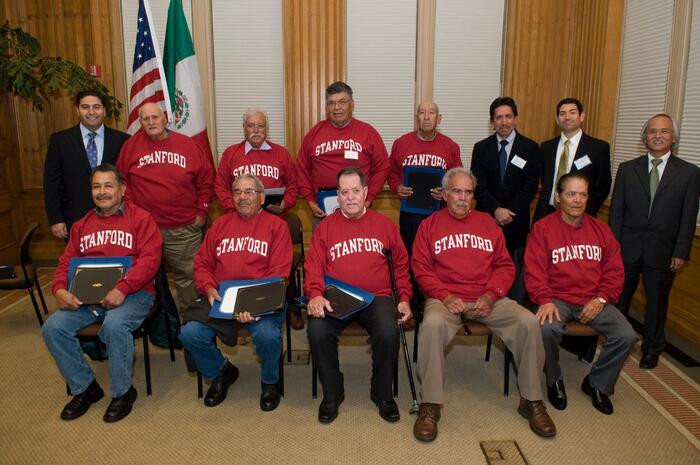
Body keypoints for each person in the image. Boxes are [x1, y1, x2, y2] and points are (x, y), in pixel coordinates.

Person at [411, 167, 556, 442]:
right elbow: (420, 268)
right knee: (430, 326)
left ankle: (531, 400)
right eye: (457, 191)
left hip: (487, 297)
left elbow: (504, 265)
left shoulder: (488, 224)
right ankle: (430, 405)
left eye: (468, 192)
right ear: (444, 194)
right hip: (446, 298)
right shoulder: (428, 226)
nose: (463, 198)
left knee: (527, 322)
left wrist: (492, 294)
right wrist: (444, 295)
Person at [41, 164, 162, 423]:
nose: (102, 192)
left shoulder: (141, 219)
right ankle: (85, 388)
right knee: (52, 328)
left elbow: (151, 260)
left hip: (134, 294)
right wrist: (59, 289)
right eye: (96, 186)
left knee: (115, 325)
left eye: (108, 185)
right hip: (88, 297)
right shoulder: (81, 225)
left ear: (122, 190)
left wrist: (123, 288)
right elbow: (65, 263)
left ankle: (122, 392)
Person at [305, 166, 412, 424]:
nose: (350, 197)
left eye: (355, 191)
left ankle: (382, 393)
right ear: (337, 196)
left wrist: (405, 298)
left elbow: (400, 265)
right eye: (344, 192)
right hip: (336, 297)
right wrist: (315, 294)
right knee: (317, 331)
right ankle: (332, 393)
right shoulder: (325, 228)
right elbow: (313, 266)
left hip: (376, 298)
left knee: (388, 330)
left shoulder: (385, 225)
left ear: (365, 192)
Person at [525, 173, 637, 415]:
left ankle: (597, 383)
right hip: (557, 298)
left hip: (595, 298)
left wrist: (601, 298)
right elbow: (534, 270)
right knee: (546, 328)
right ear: (558, 197)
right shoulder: (543, 229)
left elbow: (615, 271)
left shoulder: (602, 230)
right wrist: (544, 299)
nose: (577, 200)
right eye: (571, 194)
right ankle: (553, 379)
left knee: (626, 335)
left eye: (582, 194)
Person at [179, 174, 292, 411]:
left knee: (268, 336)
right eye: (237, 192)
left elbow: (279, 274)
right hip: (222, 298)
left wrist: (258, 306)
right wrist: (208, 287)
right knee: (190, 333)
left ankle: (270, 381)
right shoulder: (219, 225)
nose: (242, 197)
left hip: (261, 299)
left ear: (261, 197)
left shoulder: (277, 227)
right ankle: (221, 372)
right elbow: (202, 264)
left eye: (249, 192)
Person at [609, 113, 700, 369]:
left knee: (656, 304)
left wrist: (681, 251)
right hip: (627, 247)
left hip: (663, 251)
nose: (657, 136)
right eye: (652, 131)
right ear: (644, 137)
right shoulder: (627, 169)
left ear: (673, 138)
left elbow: (688, 216)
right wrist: (613, 247)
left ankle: (651, 348)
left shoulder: (690, 174)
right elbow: (616, 211)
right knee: (619, 299)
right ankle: (616, 340)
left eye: (664, 131)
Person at [116, 102, 214, 315]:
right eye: (146, 119)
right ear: (140, 122)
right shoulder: (130, 147)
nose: (151, 122)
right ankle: (160, 328)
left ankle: (193, 325)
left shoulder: (186, 145)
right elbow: (122, 184)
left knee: (189, 279)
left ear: (166, 118)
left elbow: (206, 180)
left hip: (183, 229)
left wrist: (202, 211)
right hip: (144, 229)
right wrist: (133, 214)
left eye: (155, 117)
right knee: (142, 278)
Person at [295, 81, 389, 223]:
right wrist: (310, 200)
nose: (336, 107)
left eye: (342, 102)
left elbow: (382, 167)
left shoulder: (368, 133)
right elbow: (300, 169)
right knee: (323, 245)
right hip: (323, 210)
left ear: (352, 104)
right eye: (331, 103)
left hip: (359, 207)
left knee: (358, 245)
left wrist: (369, 199)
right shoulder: (314, 134)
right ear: (326, 106)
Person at [44, 90, 130, 240]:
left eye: (96, 107)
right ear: (77, 110)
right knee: (79, 263)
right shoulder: (60, 141)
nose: (91, 112)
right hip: (75, 219)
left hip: (116, 219)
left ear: (104, 110)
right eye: (85, 107)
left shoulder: (122, 140)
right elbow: (51, 183)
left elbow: (128, 180)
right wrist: (56, 219)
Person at [389, 100, 462, 257]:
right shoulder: (401, 143)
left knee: (436, 256)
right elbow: (391, 171)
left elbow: (458, 179)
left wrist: (446, 192)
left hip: (439, 214)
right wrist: (397, 187)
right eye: (422, 113)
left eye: (431, 113)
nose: (427, 117)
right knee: (409, 255)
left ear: (439, 119)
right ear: (417, 119)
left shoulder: (450, 146)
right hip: (410, 214)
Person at [470, 97, 541, 255]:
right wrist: (496, 209)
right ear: (492, 122)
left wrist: (508, 212)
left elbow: (530, 187)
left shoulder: (531, 148)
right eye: (498, 117)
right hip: (487, 218)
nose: (504, 122)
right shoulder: (480, 148)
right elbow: (477, 185)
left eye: (508, 116)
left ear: (515, 118)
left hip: (516, 221)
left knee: (513, 269)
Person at [534, 97, 611, 223]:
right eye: (562, 114)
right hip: (546, 213)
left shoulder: (598, 148)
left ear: (581, 116)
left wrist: (583, 210)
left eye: (572, 112)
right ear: (557, 119)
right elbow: (545, 179)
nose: (567, 117)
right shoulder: (546, 147)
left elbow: (602, 186)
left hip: (580, 216)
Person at [215, 109, 297, 215]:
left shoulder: (282, 153)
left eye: (261, 125)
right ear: (244, 129)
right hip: (239, 218)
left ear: (267, 129)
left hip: (273, 219)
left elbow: (293, 185)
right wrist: (234, 208)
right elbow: (220, 187)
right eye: (250, 125)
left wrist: (285, 203)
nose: (256, 130)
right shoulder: (230, 153)